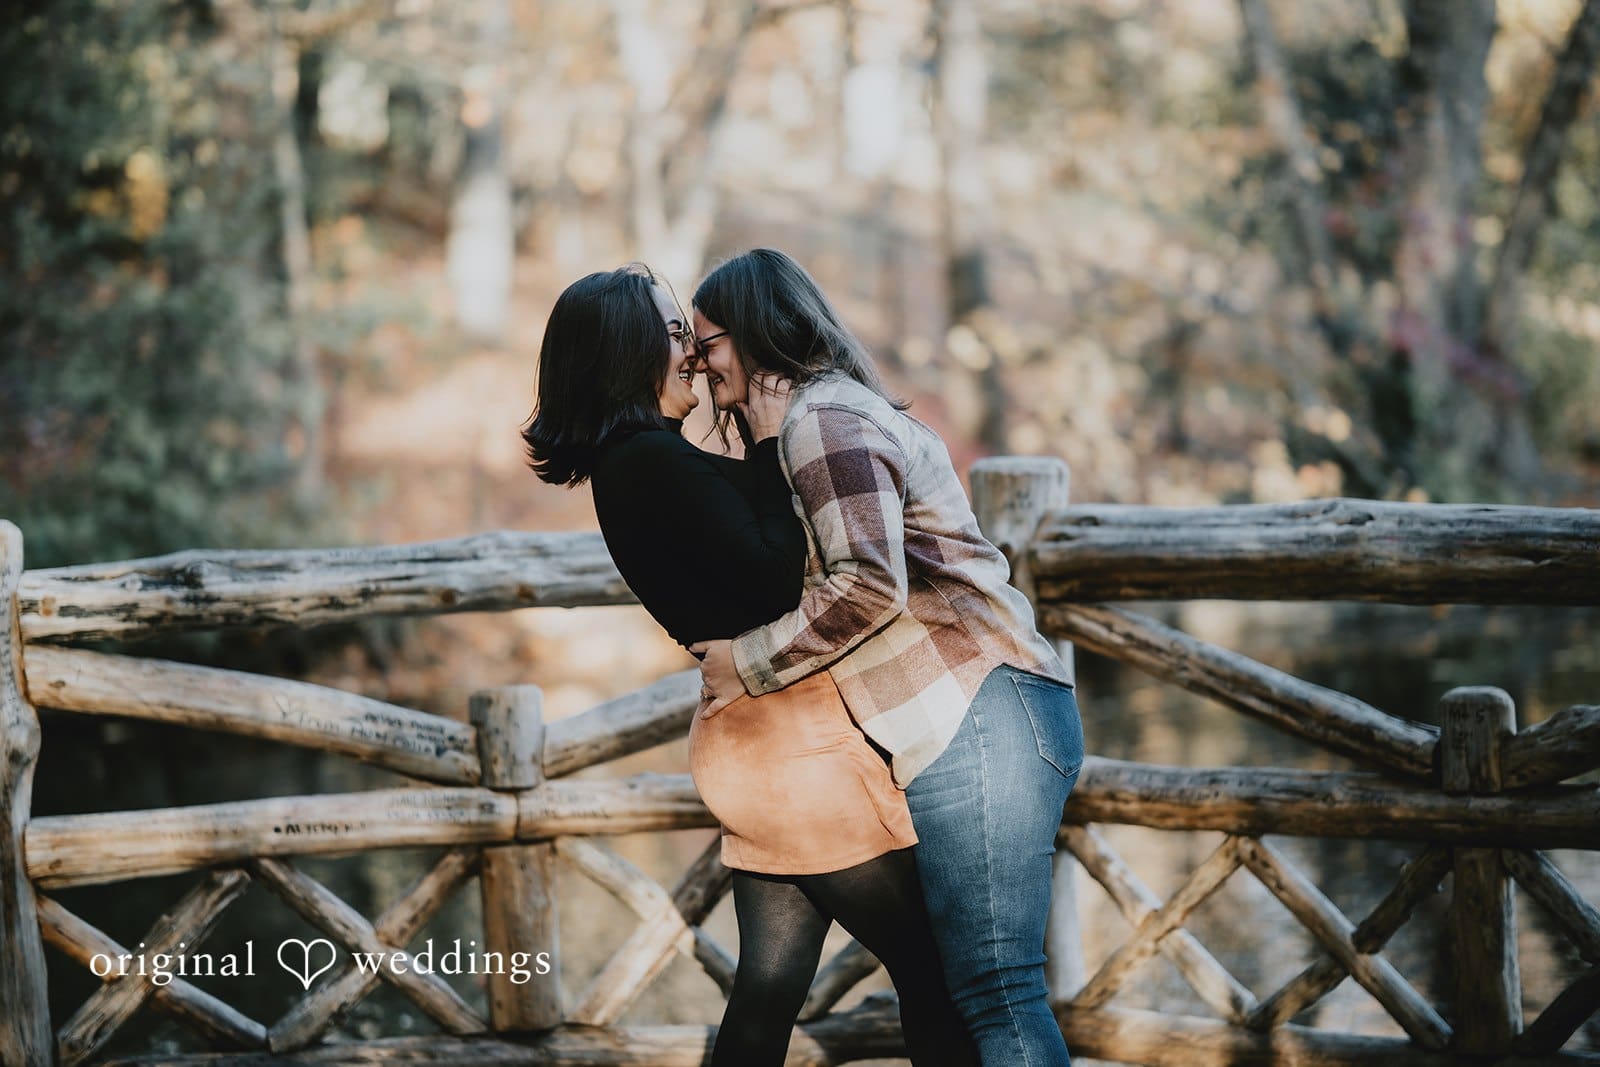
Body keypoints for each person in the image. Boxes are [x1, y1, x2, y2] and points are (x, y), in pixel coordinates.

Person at [521, 264, 978, 1067]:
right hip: (791, 752)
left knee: (769, 989)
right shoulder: (646, 462)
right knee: (934, 967)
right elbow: (774, 573)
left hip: (759, 743)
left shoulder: (648, 461)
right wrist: (769, 436)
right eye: (675, 334)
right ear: (628, 352)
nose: (693, 354)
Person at [690, 248, 1085, 1066]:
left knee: (998, 991)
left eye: (710, 340)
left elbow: (869, 586)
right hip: (970, 720)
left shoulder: (823, 422)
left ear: (755, 333)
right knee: (983, 990)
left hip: (983, 714)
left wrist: (747, 661)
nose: (698, 360)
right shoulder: (817, 419)